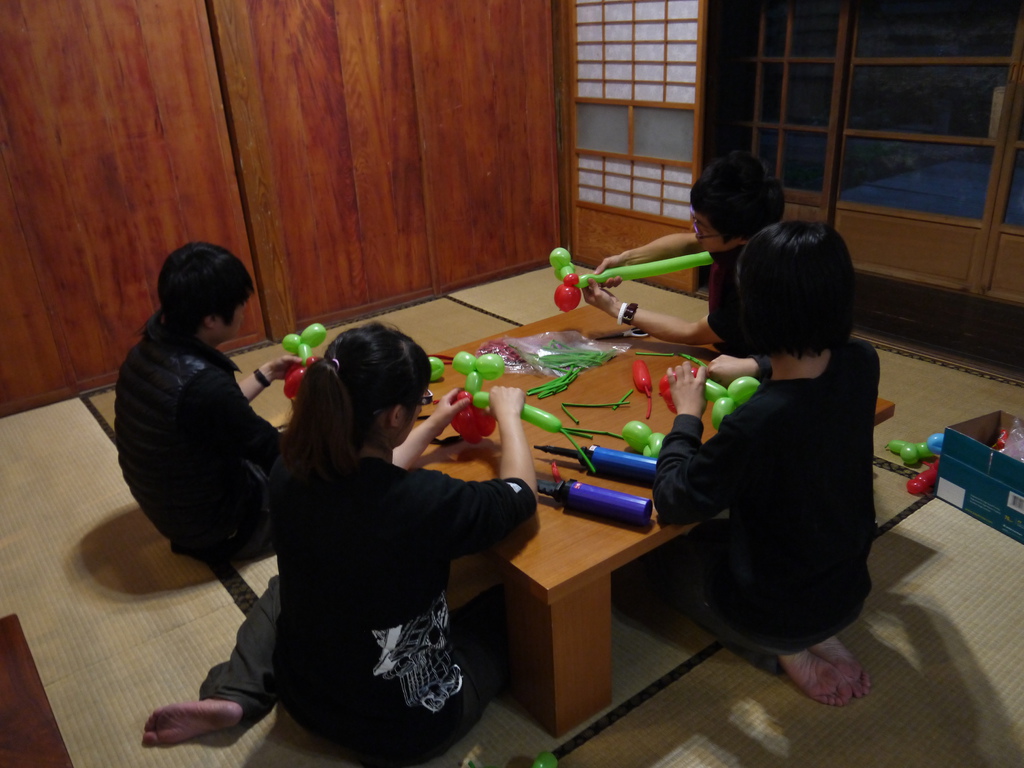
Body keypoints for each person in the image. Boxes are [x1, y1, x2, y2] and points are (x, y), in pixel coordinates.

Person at [142, 323, 538, 766]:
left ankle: (235, 693)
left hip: (307, 698)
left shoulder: (289, 466)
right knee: (508, 608)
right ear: (394, 417)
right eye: (418, 404)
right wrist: (509, 416)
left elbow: (372, 474)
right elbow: (519, 495)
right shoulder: (425, 502)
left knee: (283, 589)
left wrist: (432, 423)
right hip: (406, 727)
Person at [649, 221, 877, 707]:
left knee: (656, 562)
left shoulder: (758, 421)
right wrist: (759, 364)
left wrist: (687, 415)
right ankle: (817, 630)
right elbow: (821, 361)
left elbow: (674, 500)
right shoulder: (863, 362)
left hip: (777, 611)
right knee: (742, 524)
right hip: (847, 588)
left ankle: (785, 648)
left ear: (754, 313)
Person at [115, 242, 300, 563]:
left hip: (177, 511)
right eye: (240, 303)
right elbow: (272, 450)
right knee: (325, 488)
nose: (244, 310)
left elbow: (212, 416)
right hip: (221, 529)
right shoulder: (205, 388)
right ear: (211, 319)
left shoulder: (147, 352)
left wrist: (267, 373)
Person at [583, 150, 784, 383]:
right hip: (727, 346)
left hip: (761, 370)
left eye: (702, 228)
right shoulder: (740, 239)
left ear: (742, 237)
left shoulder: (755, 281)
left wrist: (616, 308)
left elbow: (691, 332)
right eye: (694, 219)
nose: (694, 230)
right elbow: (687, 243)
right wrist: (625, 259)